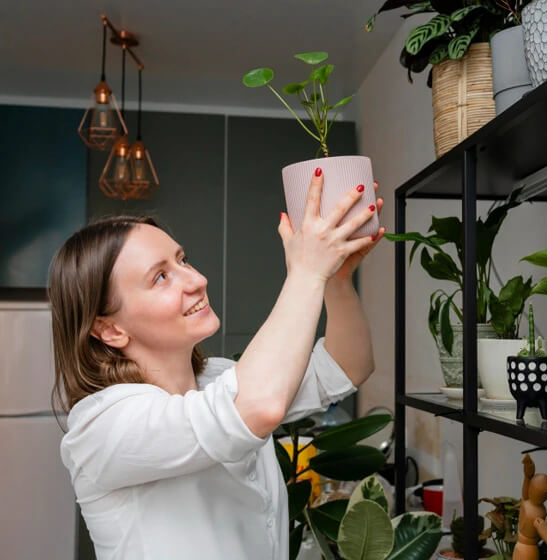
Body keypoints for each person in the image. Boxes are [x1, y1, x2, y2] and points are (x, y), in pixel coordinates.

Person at [49, 168, 386, 559]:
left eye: (182, 260)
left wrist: (337, 279)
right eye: (160, 277)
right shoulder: (102, 427)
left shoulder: (220, 377)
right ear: (109, 330)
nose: (196, 279)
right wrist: (307, 271)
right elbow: (254, 409)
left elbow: (346, 366)